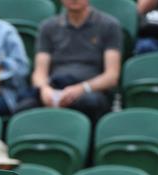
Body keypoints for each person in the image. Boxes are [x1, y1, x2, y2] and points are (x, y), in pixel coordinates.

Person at [25, 0, 121, 132]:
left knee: (91, 102)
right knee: (24, 107)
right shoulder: (48, 26)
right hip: (55, 87)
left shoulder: (109, 25)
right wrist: (44, 89)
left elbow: (111, 76)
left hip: (91, 89)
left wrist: (81, 88)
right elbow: (39, 72)